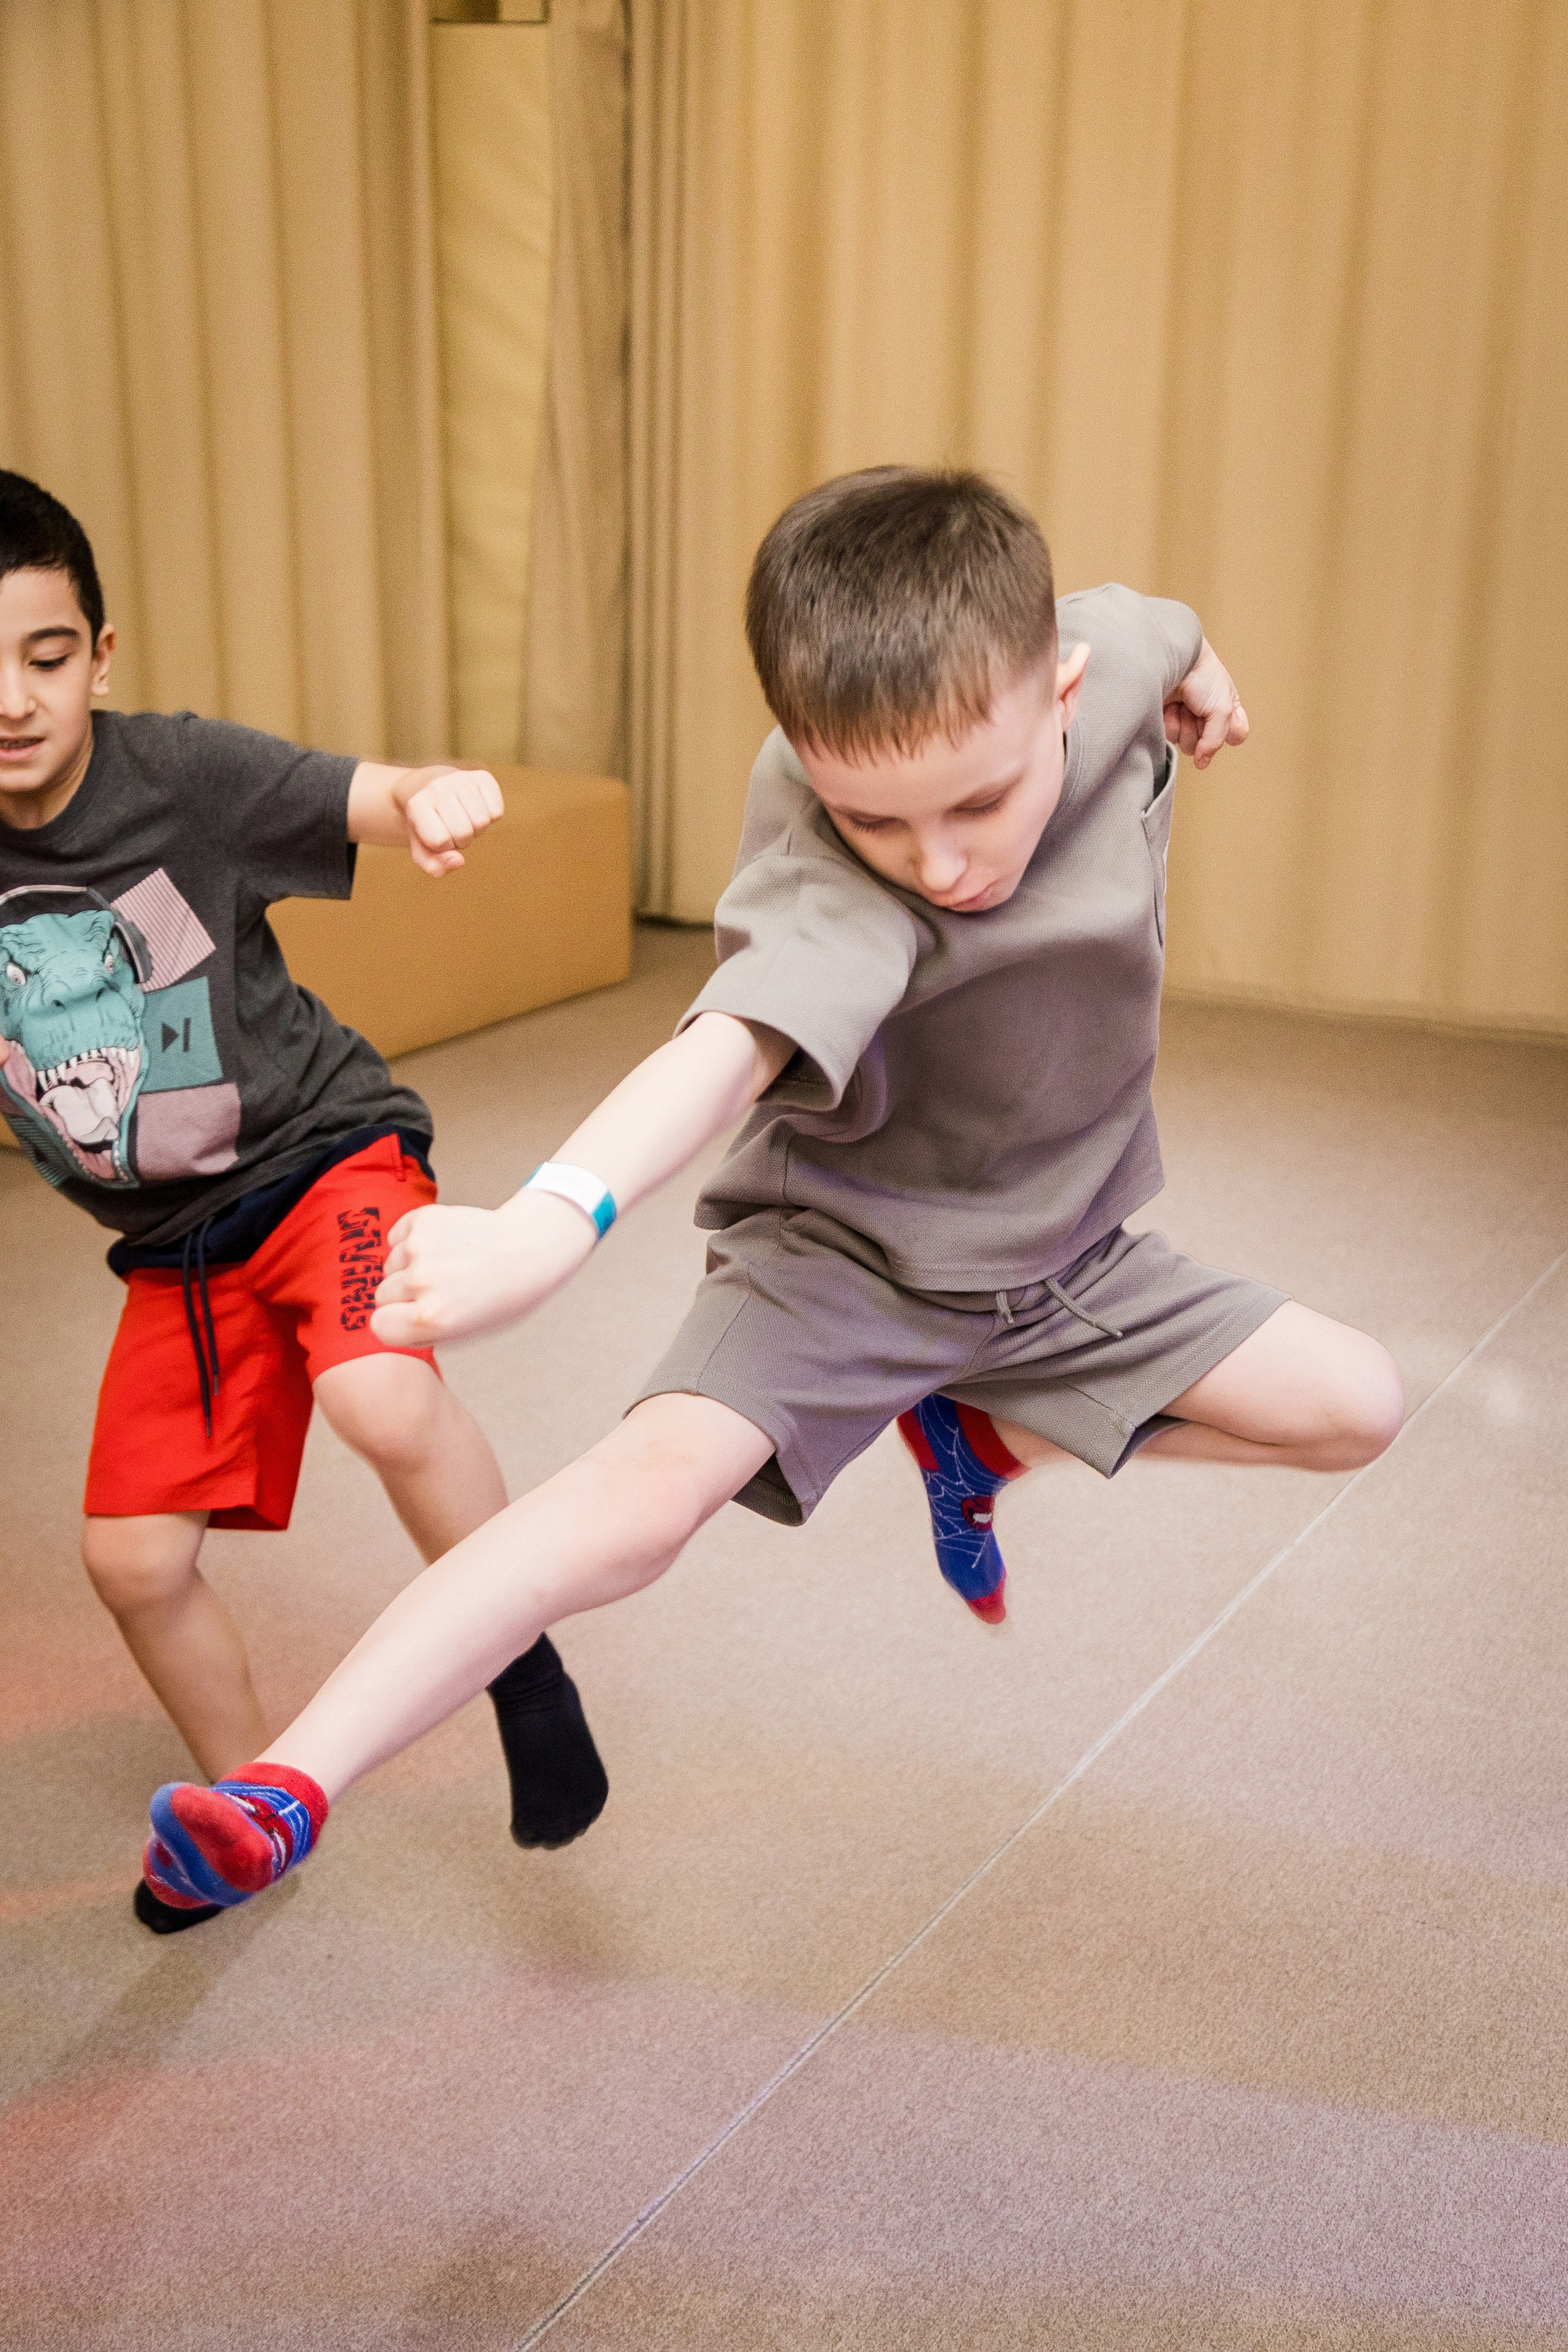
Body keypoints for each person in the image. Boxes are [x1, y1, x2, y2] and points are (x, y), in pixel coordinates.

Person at [138, 467, 1404, 1914]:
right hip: (843, 1266)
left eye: (977, 802)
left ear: (1060, 690)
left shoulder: (1106, 655)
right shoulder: (831, 879)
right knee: (632, 1509)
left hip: (1062, 1253)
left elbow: (1147, 620)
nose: (937, 864)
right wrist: (550, 1222)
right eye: (875, 820)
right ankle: (281, 1791)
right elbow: (722, 1051)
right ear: (811, 765)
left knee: (1354, 1405)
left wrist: (1202, 667)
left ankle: (981, 1437)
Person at [0, 470, 609, 1932]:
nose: (12, 700)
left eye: (46, 656)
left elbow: (363, 793)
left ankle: (522, 1666)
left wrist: (426, 796)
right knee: (131, 1561)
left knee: (380, 1399)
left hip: (322, 1156)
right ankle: (251, 1815)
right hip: (172, 1252)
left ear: (100, 656)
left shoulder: (179, 780)